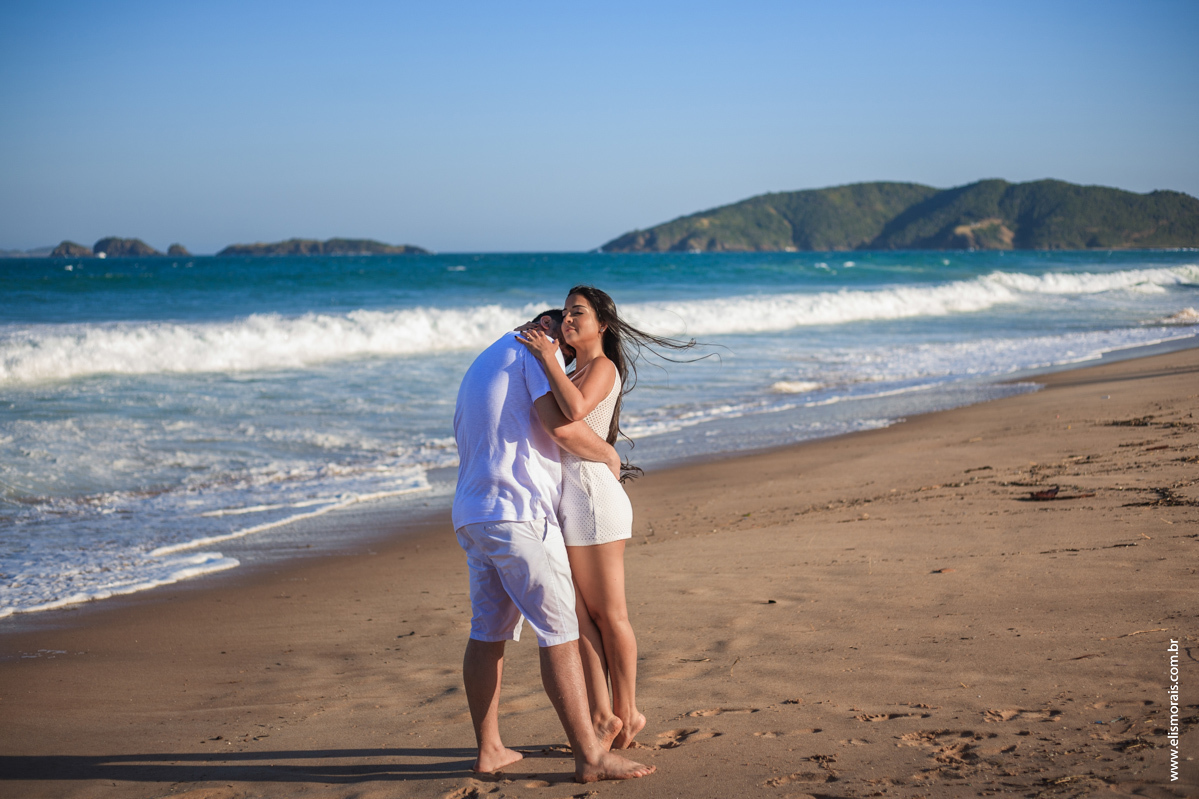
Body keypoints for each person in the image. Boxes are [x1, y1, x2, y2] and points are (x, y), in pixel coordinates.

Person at [451, 308, 655, 783]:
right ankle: (590, 755)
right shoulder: (531, 352)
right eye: (560, 340)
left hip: (473, 512)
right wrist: (607, 452)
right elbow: (559, 426)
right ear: (544, 326)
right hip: (518, 513)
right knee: (561, 627)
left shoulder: (484, 361)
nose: (561, 354)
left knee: (487, 633)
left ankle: (490, 750)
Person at [517, 286, 696, 750]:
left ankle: (628, 712)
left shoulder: (602, 367)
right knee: (580, 616)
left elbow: (574, 413)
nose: (569, 319)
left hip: (595, 501)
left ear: (603, 325)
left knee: (609, 613)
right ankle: (604, 716)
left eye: (579, 312)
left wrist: (544, 356)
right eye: (567, 312)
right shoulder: (574, 369)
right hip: (572, 502)